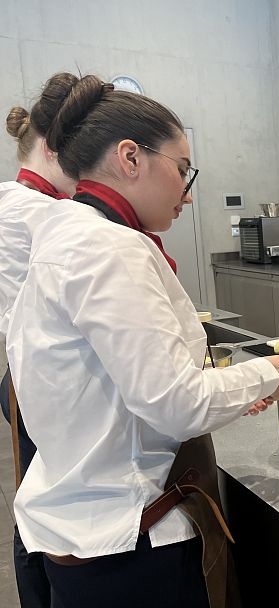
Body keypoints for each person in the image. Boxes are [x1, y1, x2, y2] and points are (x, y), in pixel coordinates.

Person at [5, 73, 279, 608]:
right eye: (183, 170)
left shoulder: (70, 234)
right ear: (131, 158)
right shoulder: (108, 247)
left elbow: (127, 383)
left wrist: (221, 384)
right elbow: (173, 403)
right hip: (129, 545)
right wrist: (269, 371)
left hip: (87, 531)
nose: (188, 194)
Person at [1, 72, 80, 608]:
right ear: (56, 148)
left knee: (33, 491)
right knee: (49, 497)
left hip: (15, 374)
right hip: (46, 381)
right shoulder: (46, 214)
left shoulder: (7, 199)